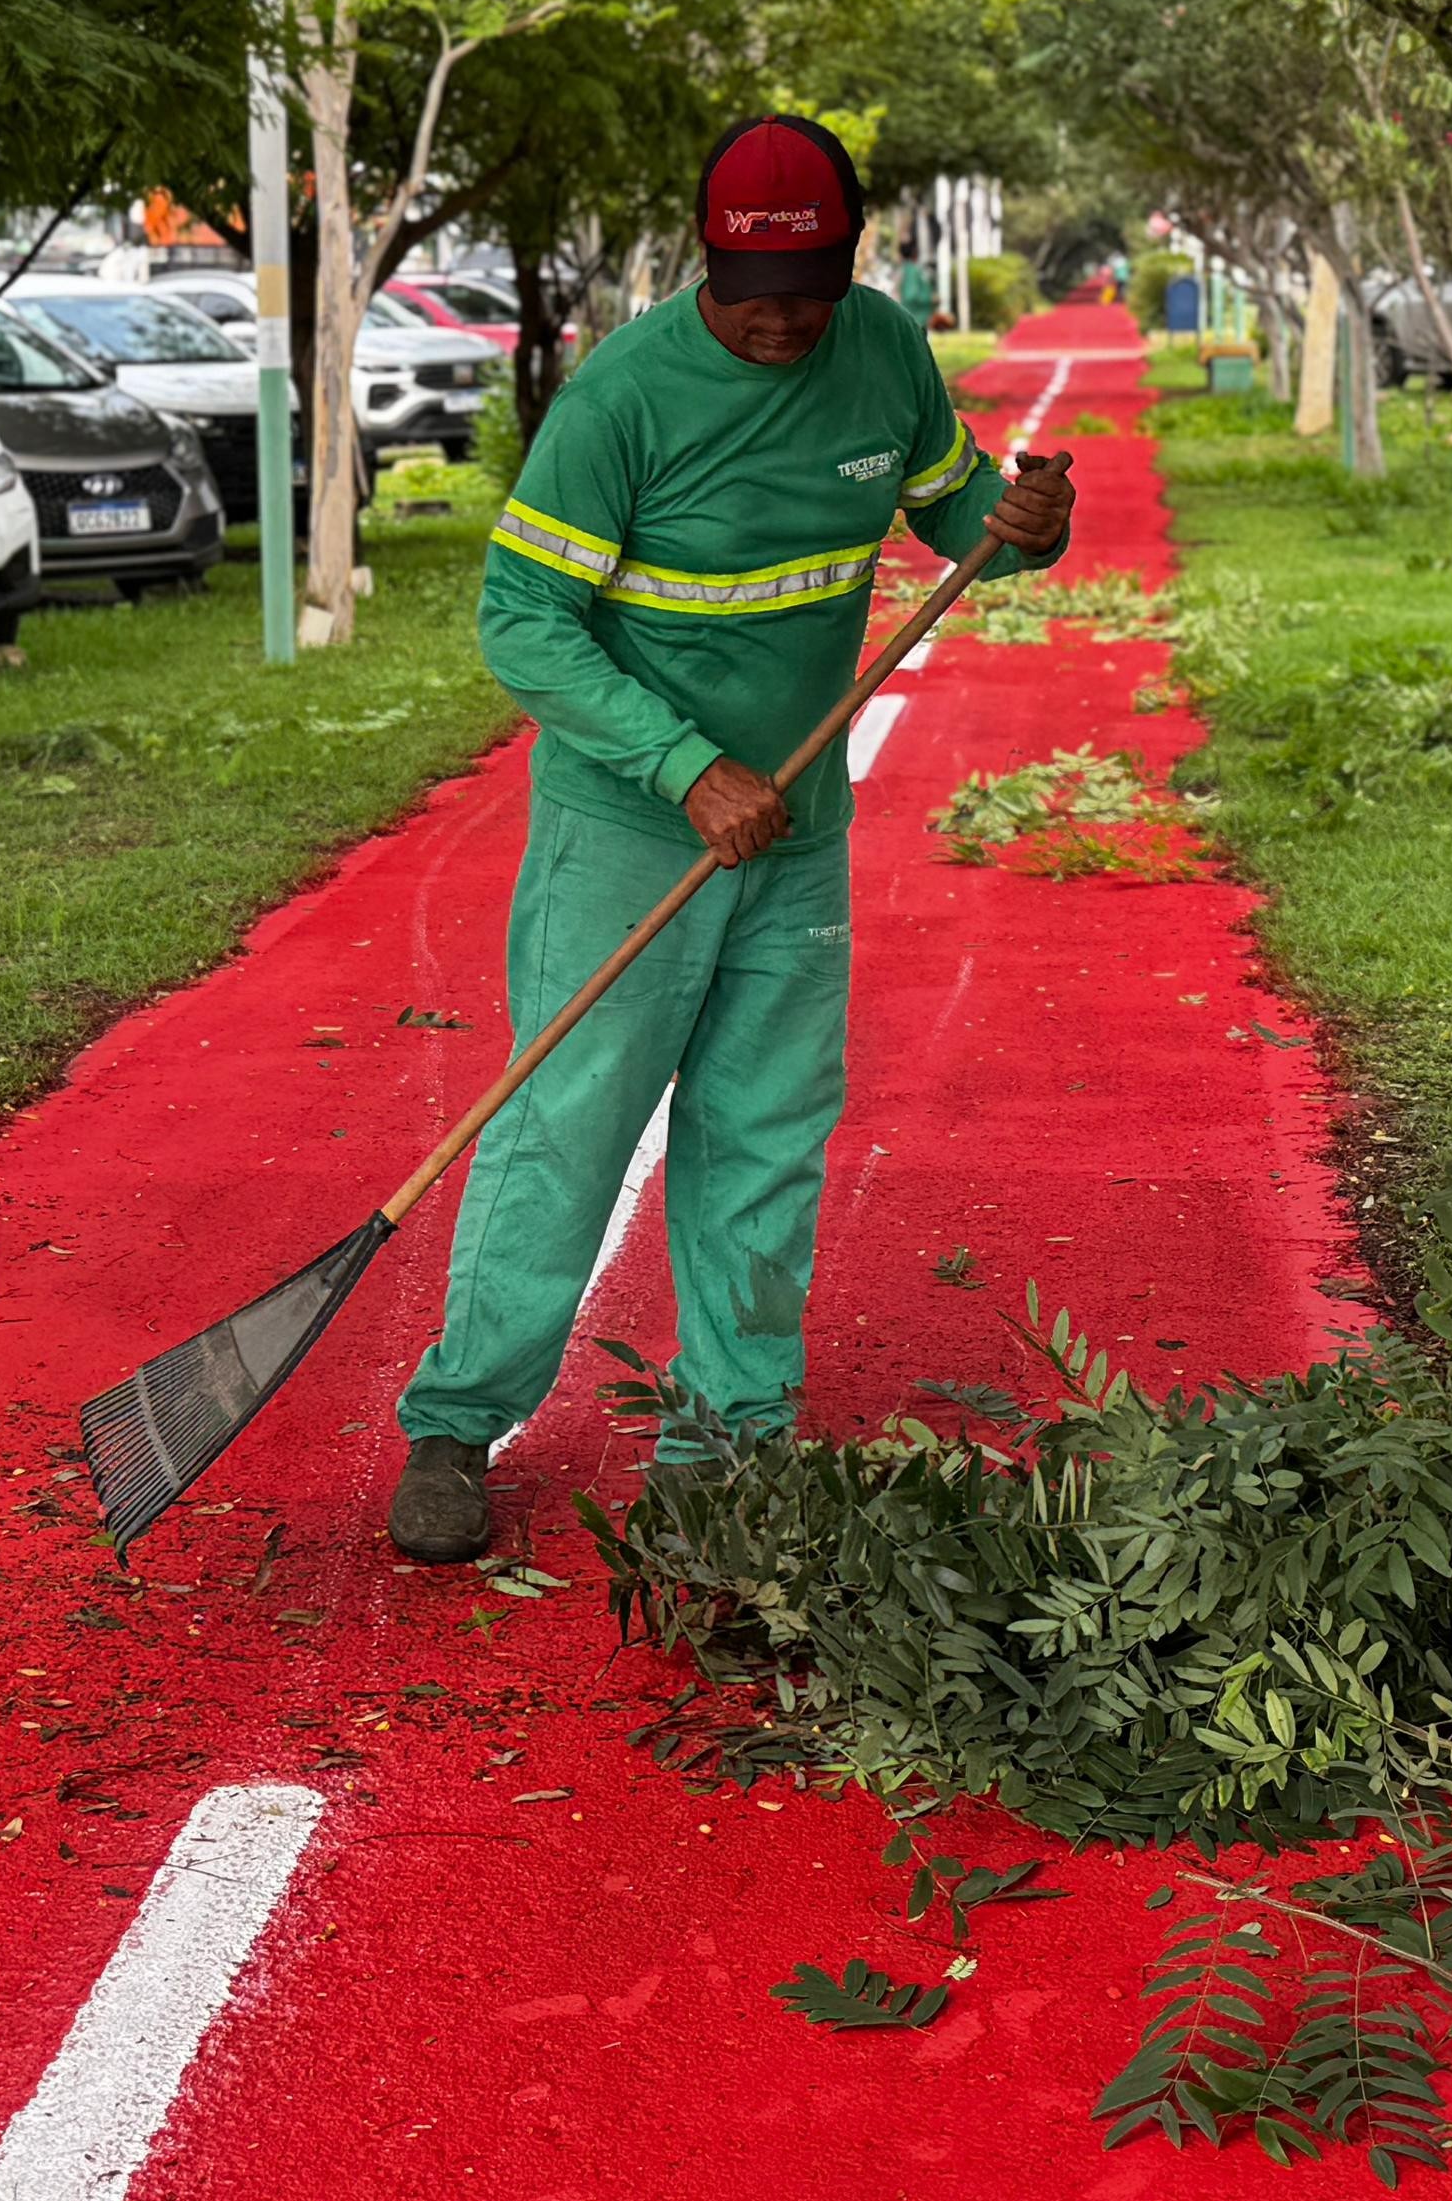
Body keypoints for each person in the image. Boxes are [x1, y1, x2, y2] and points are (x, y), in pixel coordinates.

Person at [387, 116, 1077, 1562]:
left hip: (797, 830)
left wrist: (1020, 521)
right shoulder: (625, 399)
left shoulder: (880, 350)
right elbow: (521, 623)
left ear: (848, 267)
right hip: (633, 828)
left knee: (762, 1134)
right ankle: (457, 1422)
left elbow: (956, 515)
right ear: (708, 267)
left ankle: (729, 1437)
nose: (782, 323)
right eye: (756, 294)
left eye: (809, 293)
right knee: (566, 1129)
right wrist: (687, 766)